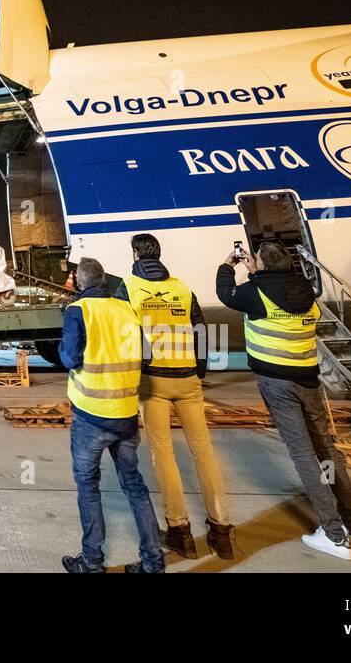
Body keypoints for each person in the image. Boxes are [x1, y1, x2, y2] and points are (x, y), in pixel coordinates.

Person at [217, 240, 351, 561]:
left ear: (262, 264)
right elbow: (279, 292)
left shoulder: (255, 295)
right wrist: (260, 272)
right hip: (308, 383)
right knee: (327, 450)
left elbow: (226, 293)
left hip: (277, 384)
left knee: (302, 457)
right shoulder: (307, 296)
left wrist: (229, 265)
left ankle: (334, 535)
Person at [117, 233, 234, 559]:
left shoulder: (128, 287)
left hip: (152, 383)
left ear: (136, 254)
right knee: (204, 452)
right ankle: (221, 530)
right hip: (187, 381)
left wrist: (134, 372)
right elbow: (201, 329)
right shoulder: (183, 288)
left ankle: (180, 530)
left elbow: (125, 332)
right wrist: (200, 370)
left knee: (163, 455)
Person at [60, 257, 166, 574]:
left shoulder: (77, 311)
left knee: (89, 489)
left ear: (79, 282)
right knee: (136, 489)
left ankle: (92, 563)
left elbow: (69, 358)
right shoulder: (126, 310)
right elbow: (146, 356)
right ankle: (153, 563)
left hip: (91, 417)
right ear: (103, 280)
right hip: (126, 415)